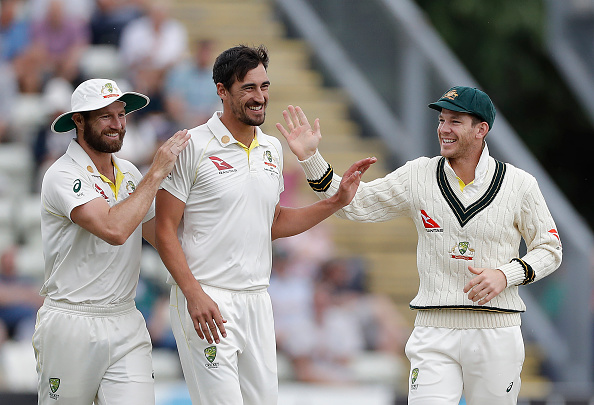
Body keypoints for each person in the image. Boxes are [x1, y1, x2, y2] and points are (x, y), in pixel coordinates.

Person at [277, 86, 563, 405]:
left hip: (496, 330)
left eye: (455, 121)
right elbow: (353, 205)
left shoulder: (519, 184)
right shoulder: (418, 175)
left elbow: (550, 249)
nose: (443, 129)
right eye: (441, 120)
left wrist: (505, 275)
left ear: (481, 129)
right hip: (433, 329)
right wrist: (311, 158)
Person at [154, 44, 375, 405]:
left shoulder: (272, 147)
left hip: (257, 299)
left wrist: (335, 202)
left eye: (264, 87)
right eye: (249, 88)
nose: (260, 97)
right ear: (222, 91)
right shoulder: (191, 145)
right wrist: (193, 294)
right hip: (207, 296)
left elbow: (272, 221)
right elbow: (164, 229)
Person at [32, 77, 191, 404]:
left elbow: (162, 238)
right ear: (78, 121)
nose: (118, 125)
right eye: (106, 116)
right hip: (70, 322)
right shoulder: (61, 174)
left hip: (125, 320)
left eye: (121, 115)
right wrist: (157, 172)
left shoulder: (131, 174)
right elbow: (114, 230)